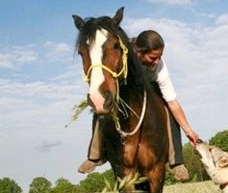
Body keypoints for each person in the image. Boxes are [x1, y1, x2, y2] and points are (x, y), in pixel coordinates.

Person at [78, 30, 198, 181]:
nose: (157, 61)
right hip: (126, 88)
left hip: (151, 89)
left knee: (168, 110)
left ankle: (176, 162)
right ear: (139, 52)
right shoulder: (124, 55)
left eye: (160, 57)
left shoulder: (160, 67)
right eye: (153, 57)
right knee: (102, 104)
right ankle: (95, 156)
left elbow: (172, 101)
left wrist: (189, 131)